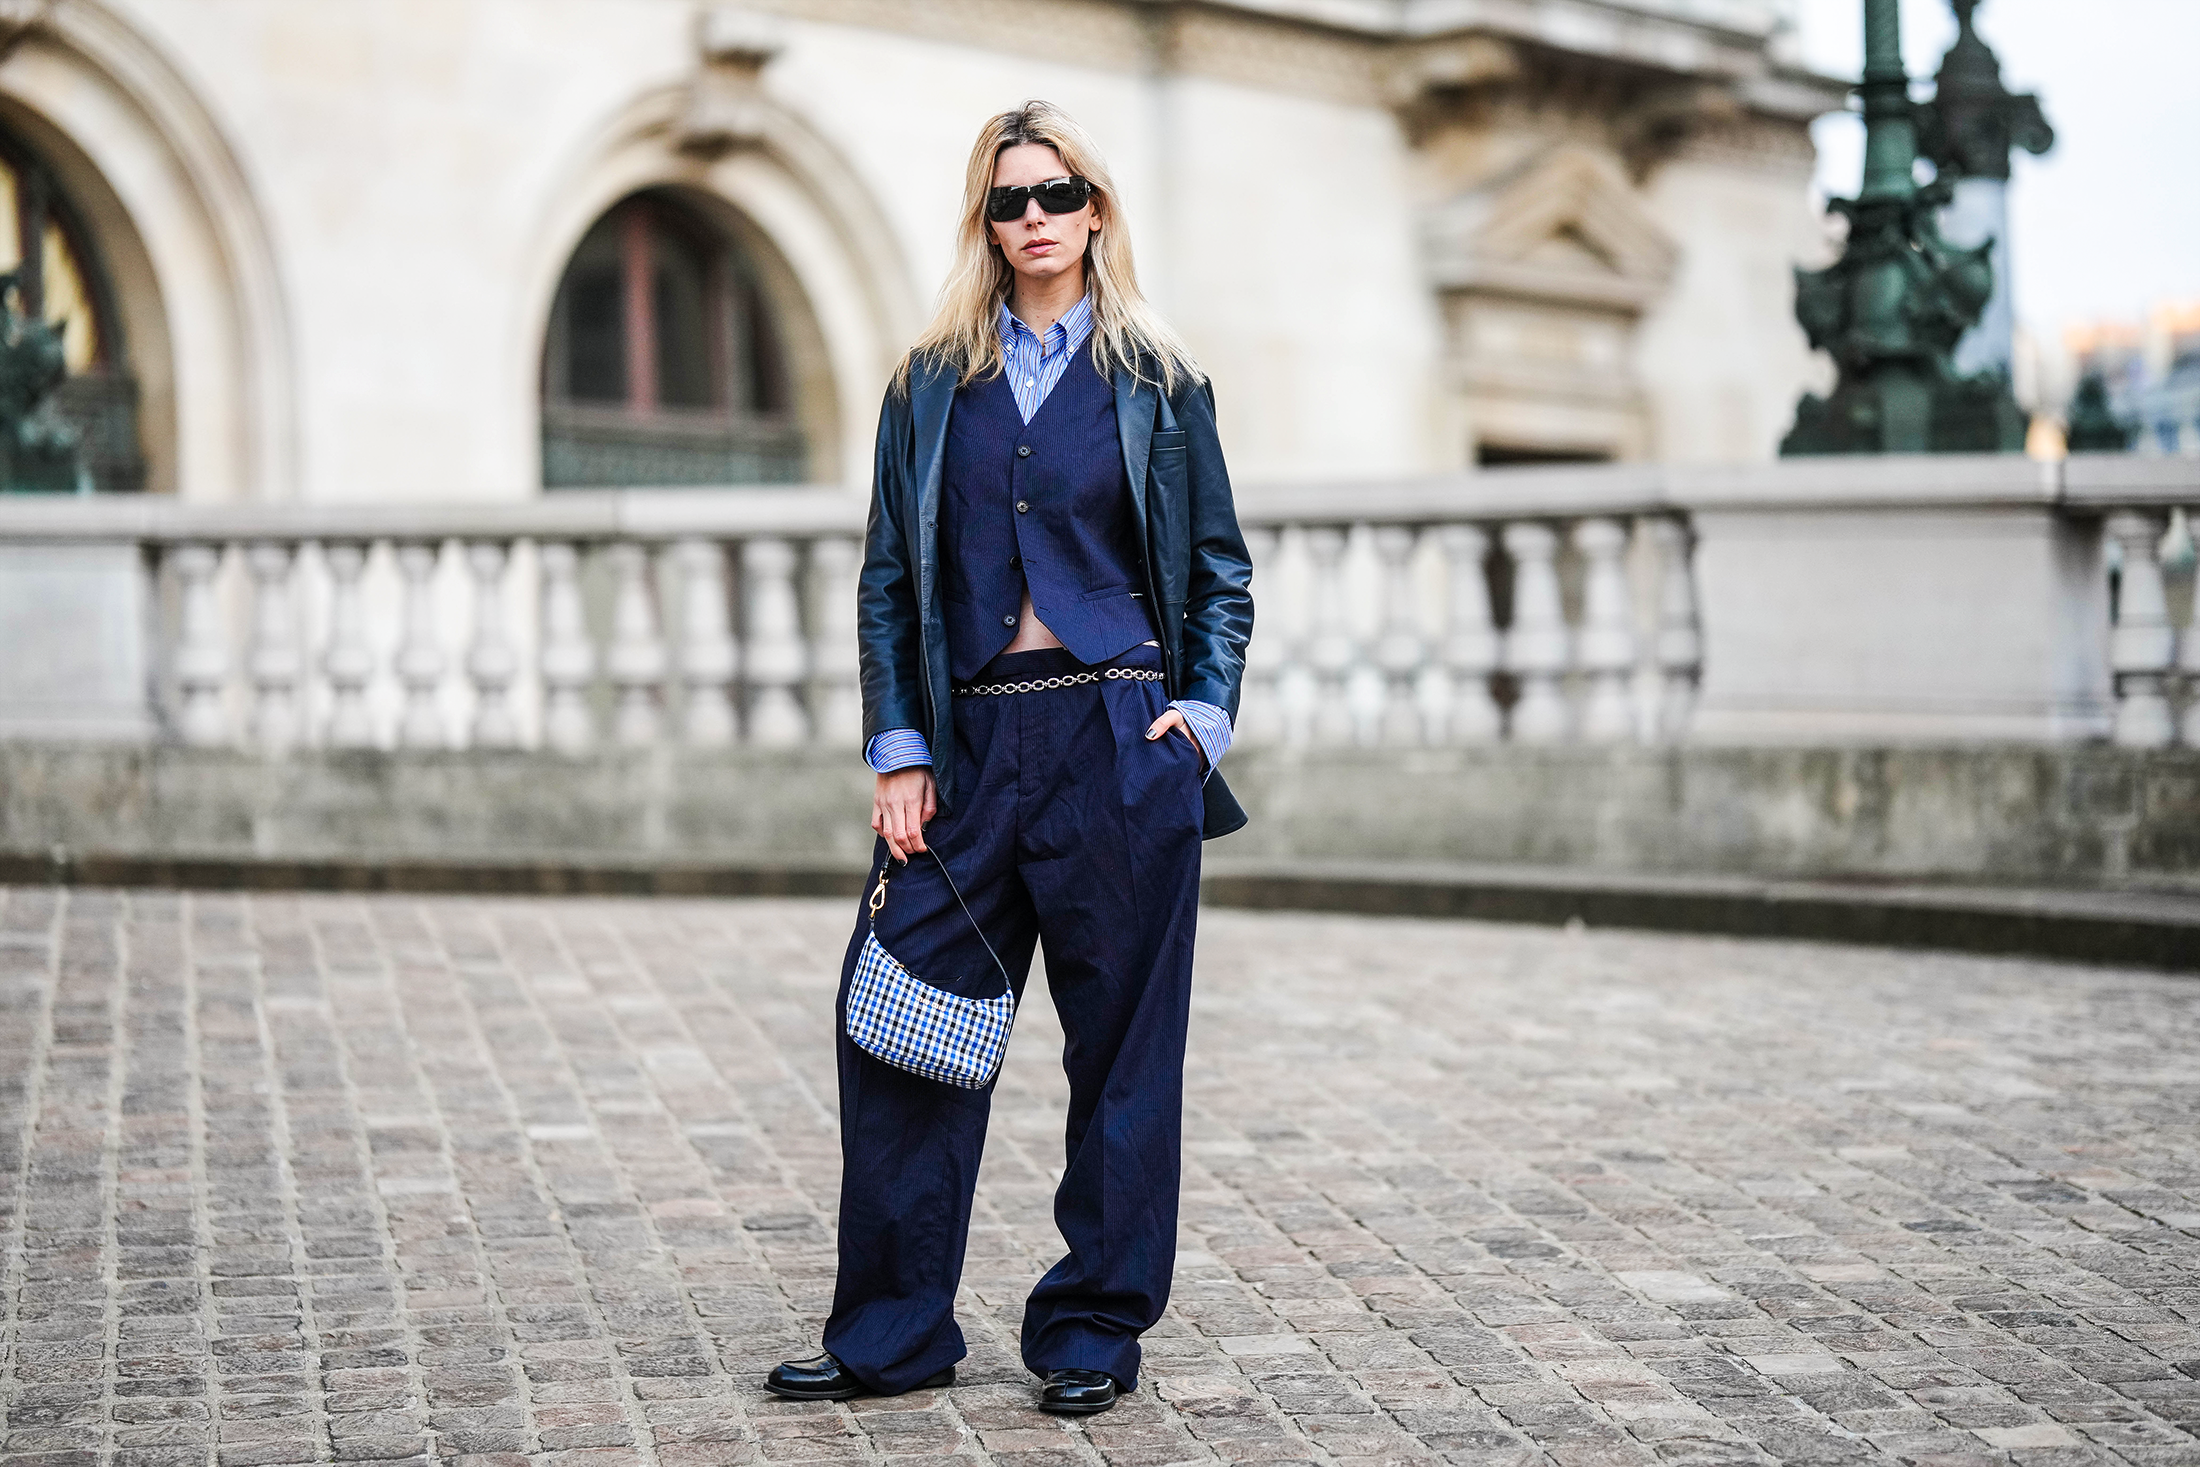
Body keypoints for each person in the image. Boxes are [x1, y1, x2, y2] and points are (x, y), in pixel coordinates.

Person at [764, 100, 1254, 1416]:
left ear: (1097, 209)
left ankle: (1093, 1324)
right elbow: (885, 580)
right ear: (984, 222)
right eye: (1007, 200)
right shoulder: (931, 384)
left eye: (1056, 194)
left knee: (1123, 1056)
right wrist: (900, 745)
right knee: (899, 1027)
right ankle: (893, 1330)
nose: (1033, 219)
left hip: (1117, 738)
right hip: (970, 747)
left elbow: (1218, 574)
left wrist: (1200, 719)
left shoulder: (1160, 382)